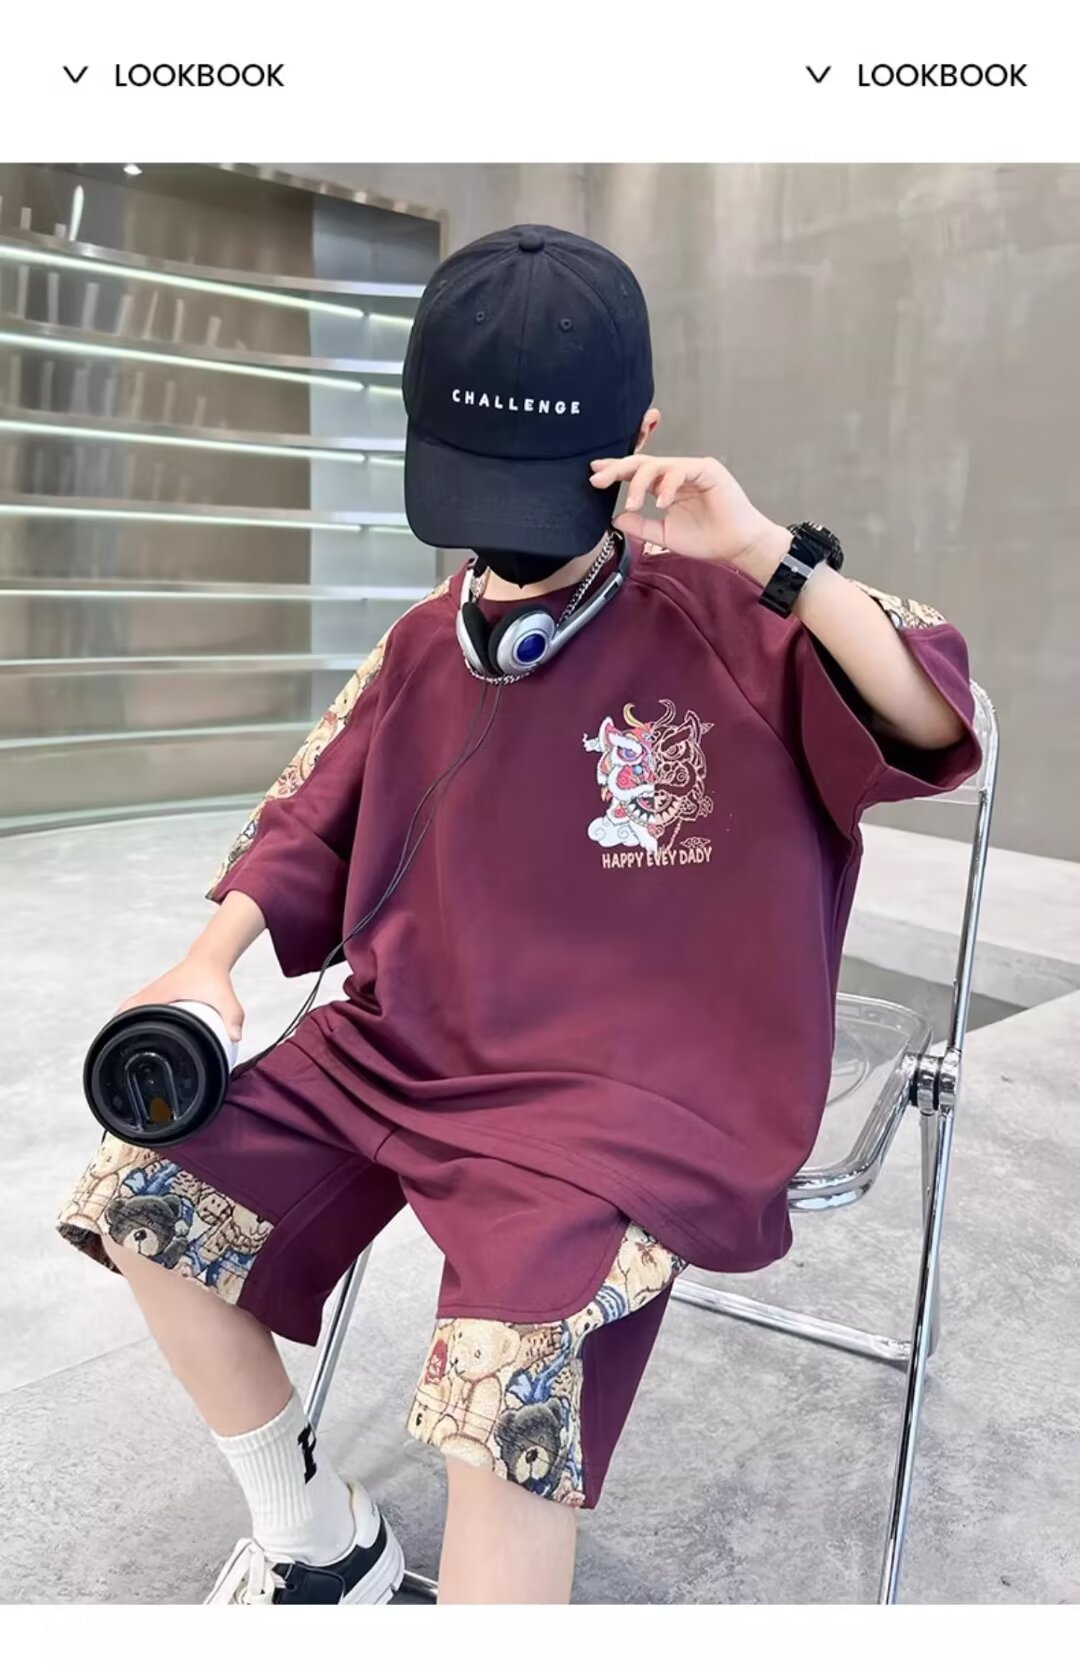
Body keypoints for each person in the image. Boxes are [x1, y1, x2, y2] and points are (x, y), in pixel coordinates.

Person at [56, 223, 982, 1606]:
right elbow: (309, 813)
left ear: (641, 440)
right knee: (146, 1198)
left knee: (504, 1395)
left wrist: (766, 555)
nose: (503, 538)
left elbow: (935, 717)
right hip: (408, 1041)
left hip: (637, 1094)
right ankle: (318, 1541)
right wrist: (207, 962)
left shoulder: (743, 615)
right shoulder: (428, 638)